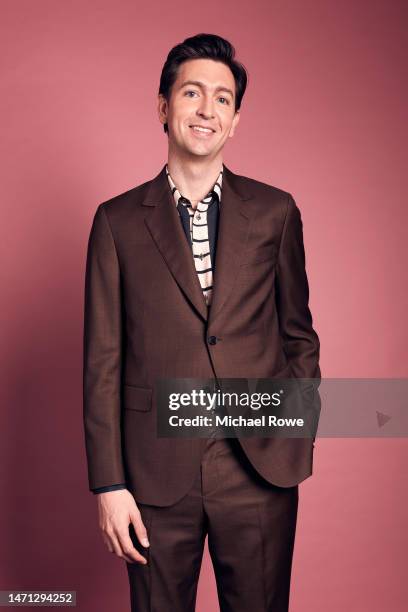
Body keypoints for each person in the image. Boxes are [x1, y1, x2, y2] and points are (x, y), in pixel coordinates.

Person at [83, 32, 321, 612]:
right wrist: (109, 485)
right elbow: (102, 362)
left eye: (222, 98)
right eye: (192, 93)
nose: (206, 109)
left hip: (259, 464)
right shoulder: (116, 222)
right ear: (164, 107)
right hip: (156, 475)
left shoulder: (275, 211)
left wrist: (297, 428)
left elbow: (299, 335)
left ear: (236, 119)